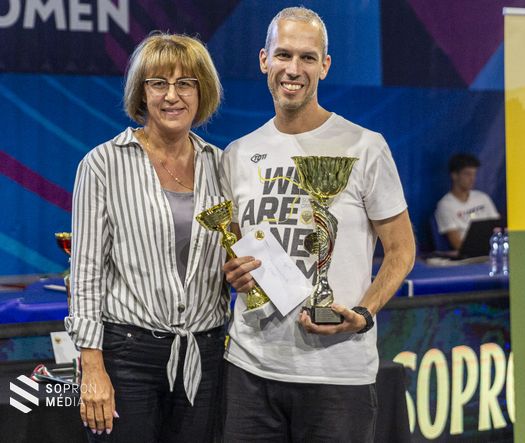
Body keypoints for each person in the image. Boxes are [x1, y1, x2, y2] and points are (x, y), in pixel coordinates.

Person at [220, 7, 416, 442]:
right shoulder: (237, 154)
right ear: (264, 60)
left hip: (337, 375)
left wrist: (363, 313)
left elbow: (402, 250)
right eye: (283, 54)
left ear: (324, 66)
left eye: (307, 57)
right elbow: (233, 249)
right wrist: (231, 270)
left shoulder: (365, 147)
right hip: (250, 370)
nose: (294, 69)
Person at [64, 32, 228, 442]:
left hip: (205, 356)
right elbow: (86, 274)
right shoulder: (102, 164)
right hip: (127, 359)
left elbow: (237, 256)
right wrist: (92, 365)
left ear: (201, 92)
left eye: (185, 83)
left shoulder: (222, 165)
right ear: (142, 92)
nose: (172, 95)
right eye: (159, 83)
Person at [435, 153, 500, 251]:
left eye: (474, 174)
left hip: (491, 250)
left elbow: (497, 228)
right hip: (469, 256)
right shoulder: (445, 205)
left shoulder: (483, 198)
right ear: (454, 175)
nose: (472, 178)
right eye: (467, 174)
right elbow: (457, 244)